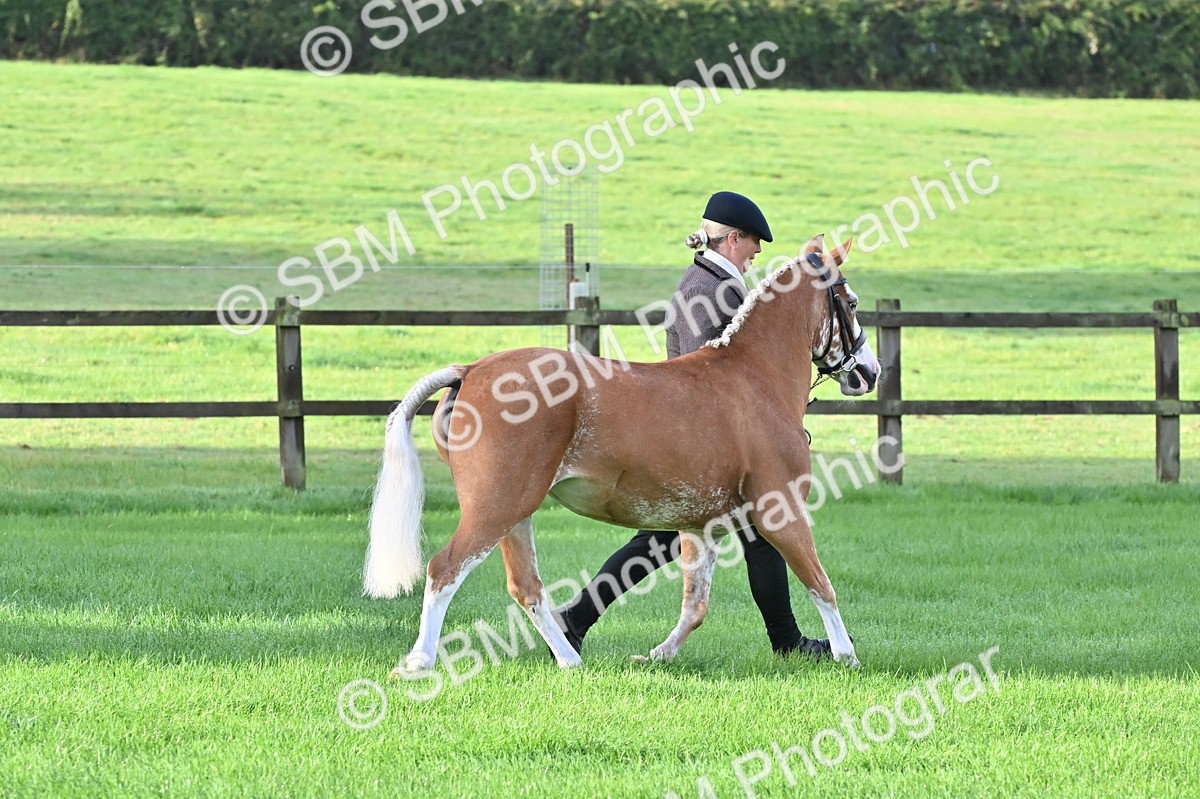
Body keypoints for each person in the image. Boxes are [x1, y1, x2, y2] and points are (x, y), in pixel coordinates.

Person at [553, 191, 832, 658]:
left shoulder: (710, 281)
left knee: (659, 541)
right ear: (733, 239)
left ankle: (575, 619)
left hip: (697, 439)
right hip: (704, 445)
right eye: (753, 243)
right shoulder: (710, 289)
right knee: (763, 533)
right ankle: (787, 643)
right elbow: (715, 374)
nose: (758, 252)